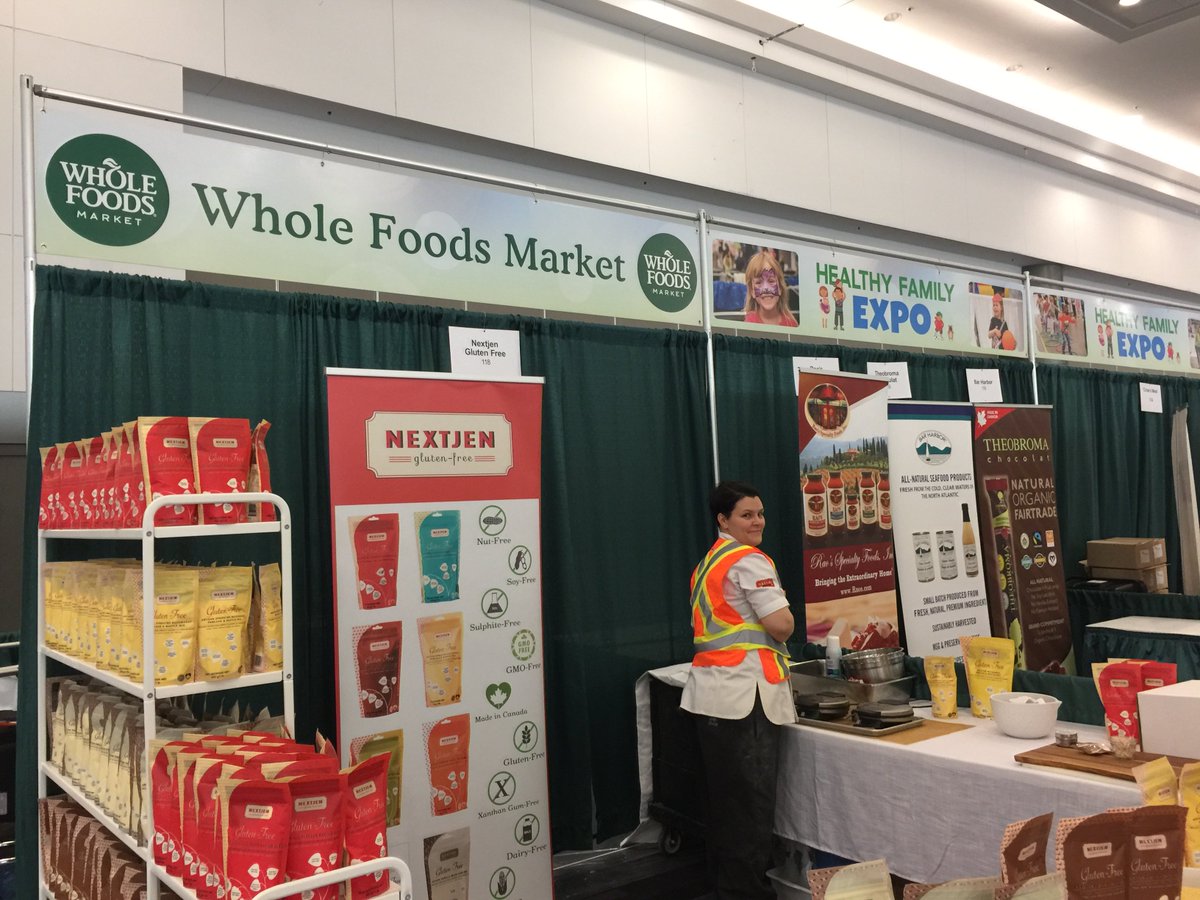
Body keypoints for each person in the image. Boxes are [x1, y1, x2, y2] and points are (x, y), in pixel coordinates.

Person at [682, 481, 796, 900]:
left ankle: (728, 891)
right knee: (750, 813)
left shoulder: (707, 563)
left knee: (726, 810)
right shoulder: (750, 561)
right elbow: (781, 625)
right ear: (723, 520)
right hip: (746, 699)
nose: (758, 521)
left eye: (761, 513)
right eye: (747, 515)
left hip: (713, 696)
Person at [742, 250, 797, 327]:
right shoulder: (750, 324)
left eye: (771, 281)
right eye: (758, 283)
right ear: (752, 291)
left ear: (780, 288)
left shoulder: (791, 324)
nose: (766, 288)